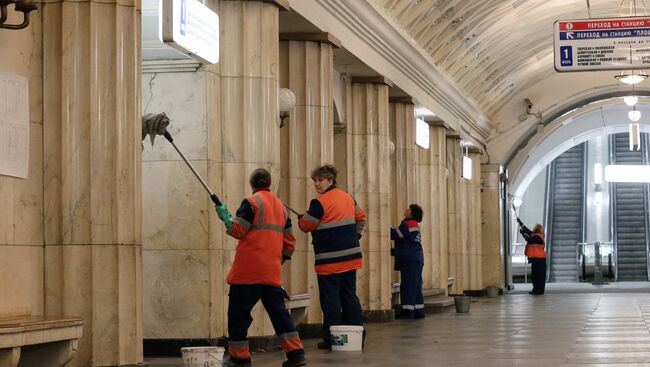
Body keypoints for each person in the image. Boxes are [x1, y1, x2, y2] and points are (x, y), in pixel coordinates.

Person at [215, 168, 307, 367]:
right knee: (280, 315)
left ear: (252, 184)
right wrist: (276, 261)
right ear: (269, 183)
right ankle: (296, 354)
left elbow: (238, 230)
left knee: (238, 316)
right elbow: (290, 243)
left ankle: (240, 358)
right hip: (271, 273)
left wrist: (225, 217)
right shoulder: (281, 208)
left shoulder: (251, 203)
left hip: (247, 273)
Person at [298, 164, 367, 350]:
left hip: (329, 260)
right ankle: (358, 334)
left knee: (330, 300)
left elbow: (306, 225)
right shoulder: (348, 197)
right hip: (351, 257)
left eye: (320, 180)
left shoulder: (318, 202)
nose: (317, 184)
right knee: (349, 296)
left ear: (330, 180)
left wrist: (301, 219)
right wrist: (356, 237)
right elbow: (361, 218)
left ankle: (332, 338)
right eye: (315, 181)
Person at [390, 204, 425, 319]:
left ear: (411, 213)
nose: (406, 210)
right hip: (416, 257)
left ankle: (408, 311)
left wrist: (384, 227)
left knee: (407, 285)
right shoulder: (414, 225)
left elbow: (395, 235)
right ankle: (419, 311)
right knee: (416, 285)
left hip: (410, 259)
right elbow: (408, 242)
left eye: (408, 209)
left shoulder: (407, 224)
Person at [517, 218, 547, 295]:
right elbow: (528, 231)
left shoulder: (538, 237)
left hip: (540, 260)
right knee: (534, 276)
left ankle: (539, 290)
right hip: (536, 259)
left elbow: (529, 239)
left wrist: (523, 233)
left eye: (535, 227)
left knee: (538, 276)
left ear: (537, 229)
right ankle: (535, 289)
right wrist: (521, 224)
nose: (533, 228)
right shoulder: (535, 235)